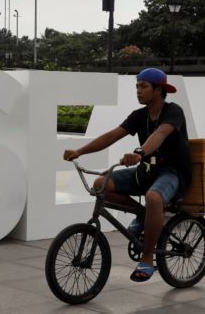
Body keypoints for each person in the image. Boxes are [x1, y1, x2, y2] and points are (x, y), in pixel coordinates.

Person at [62, 68, 191, 282]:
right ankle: (143, 215)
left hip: (172, 172)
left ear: (158, 90)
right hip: (146, 171)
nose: (138, 91)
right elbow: (112, 135)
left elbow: (160, 134)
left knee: (153, 197)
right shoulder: (139, 115)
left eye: (143, 86)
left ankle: (147, 259)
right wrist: (80, 151)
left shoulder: (173, 111)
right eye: (137, 86)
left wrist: (140, 152)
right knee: (100, 184)